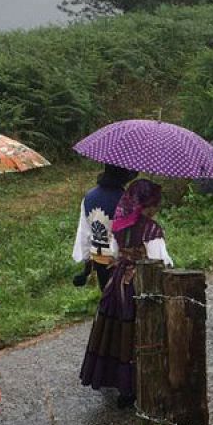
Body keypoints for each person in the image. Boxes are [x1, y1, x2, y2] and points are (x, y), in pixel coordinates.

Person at [81, 181, 171, 408]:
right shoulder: (152, 230)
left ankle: (121, 386)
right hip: (142, 282)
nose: (157, 207)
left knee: (117, 332)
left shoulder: (119, 226)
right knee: (141, 330)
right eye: (154, 203)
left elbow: (112, 252)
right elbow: (160, 260)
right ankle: (141, 383)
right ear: (147, 205)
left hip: (118, 281)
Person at [72, 164, 136, 291]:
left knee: (106, 296)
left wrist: (86, 261)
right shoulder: (125, 200)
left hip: (98, 259)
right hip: (121, 262)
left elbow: (84, 231)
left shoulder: (89, 197)